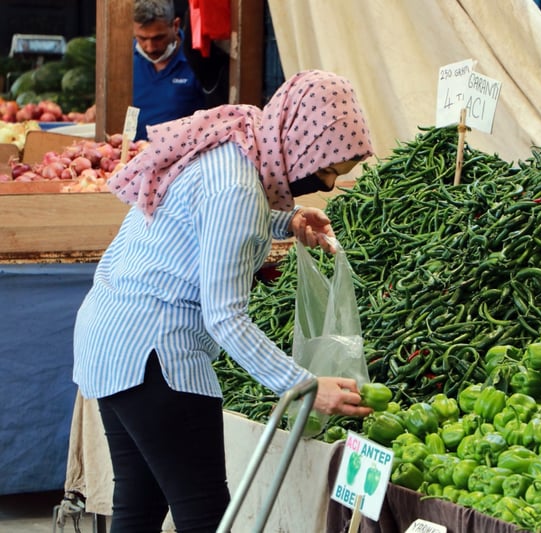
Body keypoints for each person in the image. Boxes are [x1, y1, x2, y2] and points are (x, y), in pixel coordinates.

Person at [73, 70, 375, 532]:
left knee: (139, 505)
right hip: (158, 357)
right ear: (301, 142)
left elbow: (205, 221)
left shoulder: (239, 139)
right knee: (206, 514)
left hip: (113, 339)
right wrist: (306, 386)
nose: (329, 185)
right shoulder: (237, 186)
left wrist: (287, 222)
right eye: (328, 168)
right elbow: (225, 317)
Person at [133, 0, 206, 141]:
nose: (150, 48)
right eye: (142, 38)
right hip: (130, 153)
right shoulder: (123, 60)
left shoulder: (197, 60)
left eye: (158, 38)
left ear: (176, 25)